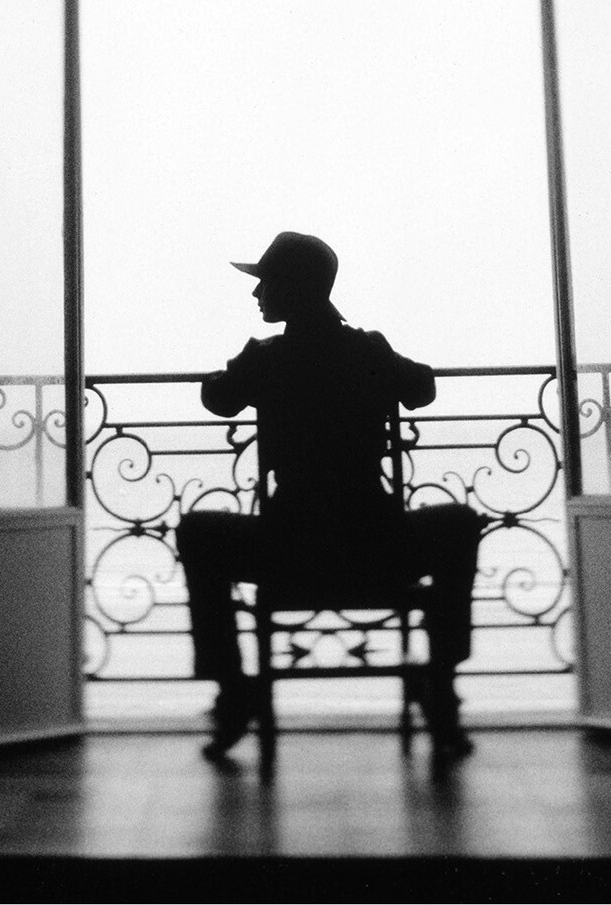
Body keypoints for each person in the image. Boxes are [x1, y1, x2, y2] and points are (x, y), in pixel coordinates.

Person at [176, 231, 481, 765]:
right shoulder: (366, 350)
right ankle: (441, 683)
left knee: (198, 532)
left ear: (292, 289)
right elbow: (422, 388)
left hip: (287, 549)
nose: (257, 294)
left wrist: (237, 366)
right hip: (377, 545)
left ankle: (234, 691)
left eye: (266, 283)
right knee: (460, 523)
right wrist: (377, 357)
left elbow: (218, 398)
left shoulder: (266, 357)